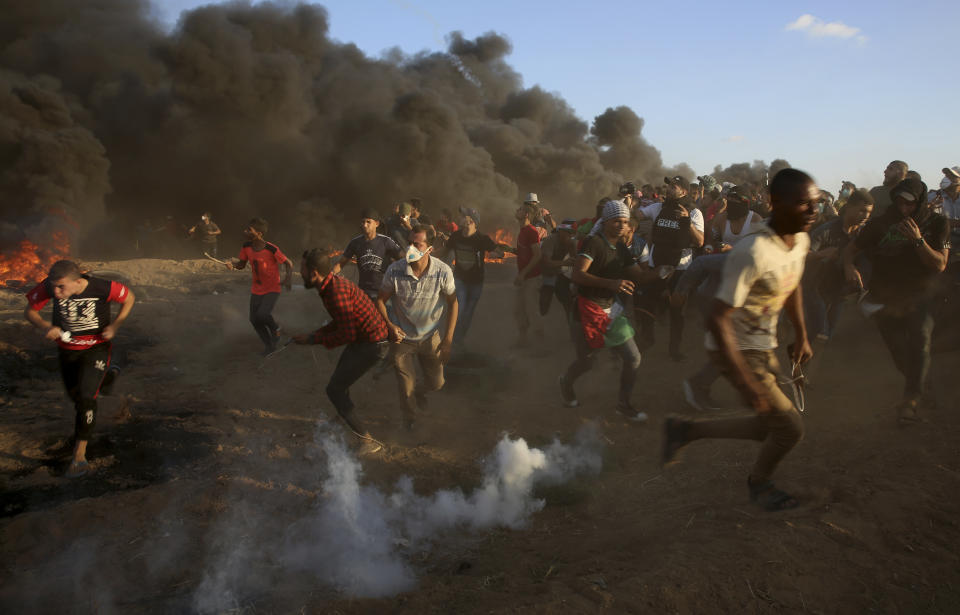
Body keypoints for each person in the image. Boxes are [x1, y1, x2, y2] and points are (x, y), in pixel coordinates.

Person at [662, 168, 818, 512]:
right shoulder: (753, 252)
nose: (813, 212)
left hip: (763, 346)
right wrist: (747, 384)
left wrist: (802, 335)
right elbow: (719, 320)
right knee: (790, 429)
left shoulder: (800, 240)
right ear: (776, 204)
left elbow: (792, 283)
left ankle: (685, 431)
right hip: (735, 348)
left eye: (816, 204)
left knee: (768, 426)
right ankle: (760, 485)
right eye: (804, 204)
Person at [842, 177, 950, 423]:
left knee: (920, 340)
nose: (903, 209)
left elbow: (940, 264)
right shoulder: (881, 223)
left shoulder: (936, 222)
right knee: (898, 351)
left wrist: (918, 240)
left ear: (920, 202)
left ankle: (910, 401)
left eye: (909, 204)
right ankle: (922, 387)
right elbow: (851, 250)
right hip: (885, 295)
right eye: (899, 202)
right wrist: (849, 266)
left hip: (920, 293)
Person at [24, 260, 136, 478]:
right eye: (54, 287)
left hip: (96, 348)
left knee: (86, 398)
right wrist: (46, 326)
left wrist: (115, 325)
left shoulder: (103, 287)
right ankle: (110, 375)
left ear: (78, 281)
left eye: (61, 287)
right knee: (76, 396)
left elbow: (129, 297)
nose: (56, 293)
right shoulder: (50, 286)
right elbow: (30, 311)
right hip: (67, 351)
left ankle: (79, 455)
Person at [559, 200, 657, 420]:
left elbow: (638, 276)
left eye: (624, 221)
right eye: (616, 221)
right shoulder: (594, 243)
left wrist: (660, 274)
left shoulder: (621, 248)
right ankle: (566, 381)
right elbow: (577, 274)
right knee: (587, 361)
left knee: (633, 358)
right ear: (605, 222)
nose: (621, 226)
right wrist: (611, 284)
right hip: (585, 310)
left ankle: (623, 404)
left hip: (611, 311)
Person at [293, 249, 390, 453]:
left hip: (372, 344)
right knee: (339, 383)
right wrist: (315, 334)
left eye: (302, 269)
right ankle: (343, 415)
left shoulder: (335, 292)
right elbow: (340, 323)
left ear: (314, 273)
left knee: (334, 389)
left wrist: (313, 339)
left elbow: (346, 335)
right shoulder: (329, 286)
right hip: (364, 340)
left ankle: (367, 440)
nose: (299, 272)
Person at [377, 227, 458, 429]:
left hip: (431, 337)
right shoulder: (395, 270)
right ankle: (410, 420)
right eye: (410, 243)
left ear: (429, 249)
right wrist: (389, 325)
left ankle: (421, 391)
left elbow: (453, 303)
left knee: (437, 383)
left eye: (418, 244)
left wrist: (447, 340)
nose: (411, 248)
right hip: (402, 339)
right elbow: (380, 300)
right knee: (406, 388)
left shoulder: (442, 271)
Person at [633, 175, 706, 361]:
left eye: (674, 186)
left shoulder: (695, 213)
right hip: (655, 265)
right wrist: (629, 203)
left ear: (684, 191)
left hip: (680, 268)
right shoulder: (658, 207)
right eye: (669, 186)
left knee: (677, 311)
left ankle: (674, 349)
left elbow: (699, 241)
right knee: (646, 306)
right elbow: (638, 215)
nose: (669, 189)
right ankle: (646, 340)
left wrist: (686, 221)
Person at [803, 189, 874, 340]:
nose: (866, 216)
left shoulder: (864, 234)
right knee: (819, 332)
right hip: (816, 288)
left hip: (840, 291)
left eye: (869, 212)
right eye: (862, 211)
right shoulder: (826, 230)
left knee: (830, 333)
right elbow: (802, 255)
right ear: (849, 207)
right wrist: (822, 254)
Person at [441, 207, 511, 349]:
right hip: (459, 279)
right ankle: (451, 339)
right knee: (459, 310)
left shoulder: (482, 239)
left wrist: (499, 253)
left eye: (466, 217)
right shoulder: (456, 236)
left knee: (468, 313)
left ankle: (458, 340)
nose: (462, 219)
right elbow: (444, 251)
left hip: (476, 282)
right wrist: (425, 255)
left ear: (472, 221)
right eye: (463, 216)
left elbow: (498, 252)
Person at [228, 217, 292, 355]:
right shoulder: (246, 247)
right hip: (257, 289)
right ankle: (269, 345)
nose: (245, 232)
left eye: (249, 230)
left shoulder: (271, 248)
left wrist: (288, 278)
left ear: (259, 234)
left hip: (273, 288)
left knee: (262, 314)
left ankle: (276, 329)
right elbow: (241, 265)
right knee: (254, 319)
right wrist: (232, 265)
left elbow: (289, 263)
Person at [332, 209, 403, 302]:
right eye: (363, 222)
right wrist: (329, 277)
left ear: (376, 224)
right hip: (364, 292)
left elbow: (403, 259)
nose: (365, 225)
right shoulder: (355, 243)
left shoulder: (386, 241)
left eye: (368, 222)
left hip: (384, 292)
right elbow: (341, 264)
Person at [513, 201, 544, 345]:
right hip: (524, 277)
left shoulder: (531, 231)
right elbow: (525, 252)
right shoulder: (522, 231)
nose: (516, 210)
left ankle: (540, 344)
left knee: (532, 311)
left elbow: (537, 255)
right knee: (519, 310)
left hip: (531, 278)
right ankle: (523, 339)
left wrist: (523, 274)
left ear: (525, 214)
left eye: (519, 209)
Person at [538, 218, 578, 319]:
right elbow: (546, 262)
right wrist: (565, 263)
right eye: (569, 233)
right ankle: (541, 318)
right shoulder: (551, 240)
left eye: (573, 234)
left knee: (568, 299)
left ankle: (569, 319)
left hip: (558, 272)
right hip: (544, 272)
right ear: (561, 231)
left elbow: (575, 261)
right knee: (545, 298)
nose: (571, 236)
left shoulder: (570, 242)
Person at [709, 186, 763, 252]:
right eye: (730, 199)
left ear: (744, 202)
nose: (731, 202)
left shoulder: (756, 220)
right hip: (724, 259)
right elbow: (711, 239)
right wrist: (709, 248)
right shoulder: (721, 218)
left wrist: (732, 249)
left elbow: (759, 250)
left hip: (746, 259)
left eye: (735, 199)